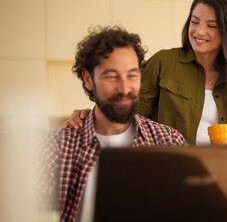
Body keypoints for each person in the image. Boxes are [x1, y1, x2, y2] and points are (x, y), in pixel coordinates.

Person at [64, 0, 227, 146]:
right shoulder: (165, 62)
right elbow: (127, 113)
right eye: (195, 21)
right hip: (167, 170)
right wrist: (92, 116)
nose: (199, 31)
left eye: (211, 25)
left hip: (214, 175)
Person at [39, 25, 187, 222]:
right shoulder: (52, 149)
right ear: (88, 79)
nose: (125, 88)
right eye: (111, 76)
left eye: (132, 75)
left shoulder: (170, 143)